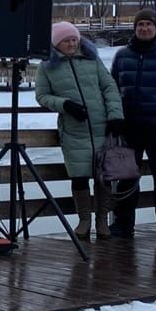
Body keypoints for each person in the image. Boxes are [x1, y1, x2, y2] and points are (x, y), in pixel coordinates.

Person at [34, 21, 124, 239]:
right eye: (67, 40)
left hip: (102, 127)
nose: (72, 44)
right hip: (75, 131)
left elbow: (109, 87)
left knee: (105, 177)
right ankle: (84, 220)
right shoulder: (47, 67)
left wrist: (115, 115)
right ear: (57, 44)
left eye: (74, 39)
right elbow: (42, 96)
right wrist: (65, 104)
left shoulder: (92, 60)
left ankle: (102, 220)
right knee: (79, 177)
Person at [109, 9, 156, 241]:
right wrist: (115, 118)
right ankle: (123, 225)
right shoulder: (122, 55)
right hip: (129, 129)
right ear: (134, 28)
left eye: (148, 25)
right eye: (140, 24)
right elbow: (112, 89)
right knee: (126, 179)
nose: (144, 28)